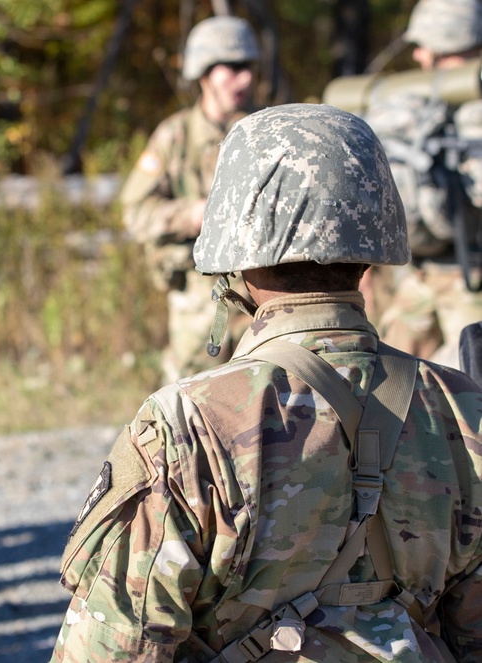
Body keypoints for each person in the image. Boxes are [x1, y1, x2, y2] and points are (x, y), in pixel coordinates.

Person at [50, 104, 482, 661]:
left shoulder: (186, 425)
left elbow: (115, 649)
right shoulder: (464, 407)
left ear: (235, 252)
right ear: (373, 238)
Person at [119, 15, 259, 384]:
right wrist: (192, 215)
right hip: (198, 309)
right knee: (188, 418)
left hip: (264, 301)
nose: (244, 78)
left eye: (248, 67)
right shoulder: (174, 137)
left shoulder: (264, 131)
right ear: (203, 72)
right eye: (231, 68)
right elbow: (135, 214)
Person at [376, 0, 482, 368]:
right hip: (421, 277)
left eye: (425, 46)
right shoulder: (417, 108)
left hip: (468, 286)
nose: (418, 55)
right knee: (387, 388)